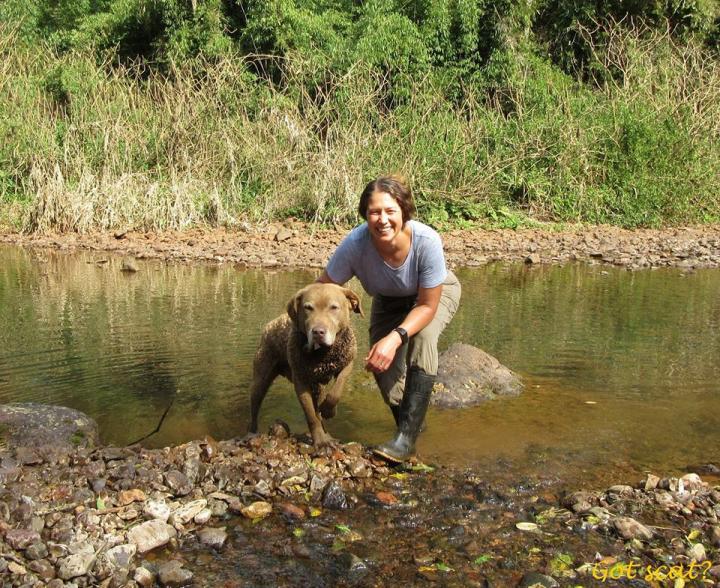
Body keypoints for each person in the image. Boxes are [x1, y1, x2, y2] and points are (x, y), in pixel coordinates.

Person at [317, 175, 461, 462]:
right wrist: (313, 325)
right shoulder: (355, 245)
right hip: (388, 301)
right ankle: (410, 426)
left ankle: (405, 441)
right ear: (365, 215)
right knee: (381, 367)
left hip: (433, 295)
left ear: (404, 212)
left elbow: (427, 307)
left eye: (390, 211)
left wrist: (395, 338)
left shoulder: (426, 241)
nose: (382, 219)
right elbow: (322, 289)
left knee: (422, 337)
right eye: (374, 212)